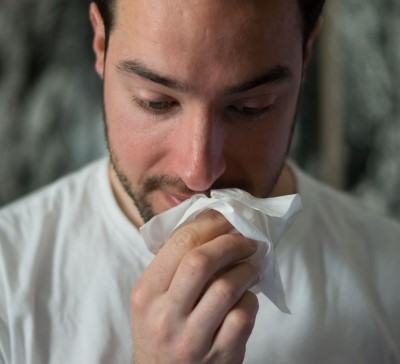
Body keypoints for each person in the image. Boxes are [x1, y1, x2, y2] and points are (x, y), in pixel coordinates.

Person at [0, 0, 399, 363]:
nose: (199, 173)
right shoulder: (8, 280)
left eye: (250, 108)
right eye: (156, 101)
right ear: (101, 43)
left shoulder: (389, 279)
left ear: (306, 54)